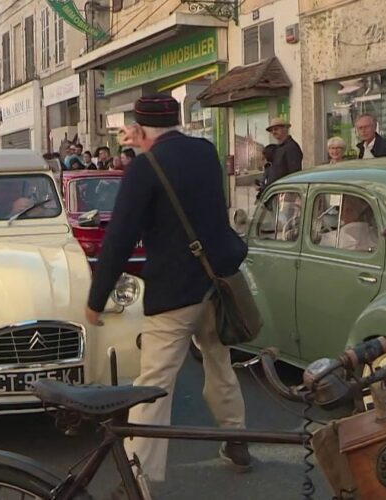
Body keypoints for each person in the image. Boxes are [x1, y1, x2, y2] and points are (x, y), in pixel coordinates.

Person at [86, 94, 251, 486]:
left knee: (153, 384)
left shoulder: (144, 168)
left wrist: (97, 299)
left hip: (175, 290)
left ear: (140, 129)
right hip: (217, 281)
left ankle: (138, 476)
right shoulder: (205, 151)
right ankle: (237, 438)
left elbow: (120, 237)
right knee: (218, 361)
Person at [261, 117, 302, 192]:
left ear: (285, 129)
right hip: (277, 193)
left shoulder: (291, 147)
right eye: (272, 130)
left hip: (286, 193)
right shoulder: (279, 148)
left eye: (276, 129)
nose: (273, 132)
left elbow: (295, 175)